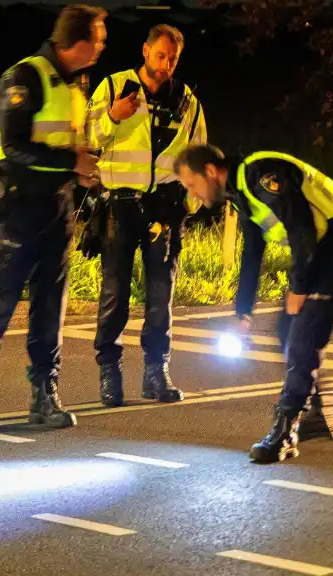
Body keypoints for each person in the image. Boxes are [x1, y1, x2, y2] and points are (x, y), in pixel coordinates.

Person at [0, 4, 107, 430]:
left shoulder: (77, 82)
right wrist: (71, 162)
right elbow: (15, 146)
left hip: (58, 208)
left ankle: (44, 393)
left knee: (50, 307)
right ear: (76, 41)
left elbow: (73, 142)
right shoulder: (23, 77)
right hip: (19, 206)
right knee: (1, 303)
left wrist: (86, 176)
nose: (102, 47)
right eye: (99, 39)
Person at [173, 144, 333, 463]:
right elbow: (252, 253)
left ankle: (285, 431)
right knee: (288, 328)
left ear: (209, 171)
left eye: (191, 185)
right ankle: (320, 411)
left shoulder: (259, 174)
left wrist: (299, 288)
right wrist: (243, 314)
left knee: (302, 337)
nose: (193, 195)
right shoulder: (241, 194)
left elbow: (300, 224)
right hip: (321, 250)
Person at [80, 23, 208, 407]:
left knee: (160, 296)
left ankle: (156, 373)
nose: (166, 64)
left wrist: (189, 205)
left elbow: (199, 158)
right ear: (145, 51)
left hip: (164, 209)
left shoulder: (187, 101)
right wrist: (114, 117)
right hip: (119, 203)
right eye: (160, 55)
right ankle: (110, 373)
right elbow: (87, 139)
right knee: (115, 294)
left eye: (172, 58)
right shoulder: (115, 87)